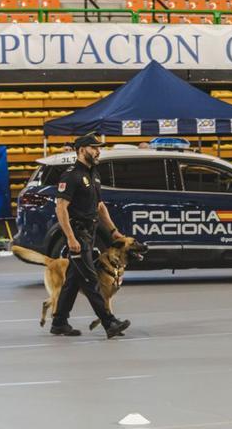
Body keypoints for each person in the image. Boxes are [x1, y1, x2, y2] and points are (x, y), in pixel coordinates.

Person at [50, 132, 131, 338]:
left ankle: (59, 322)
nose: (98, 151)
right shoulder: (71, 175)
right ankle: (109, 322)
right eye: (94, 147)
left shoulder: (94, 173)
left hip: (90, 232)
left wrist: (113, 231)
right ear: (82, 149)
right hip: (78, 234)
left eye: (98, 147)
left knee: (73, 280)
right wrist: (70, 237)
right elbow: (61, 208)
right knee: (90, 278)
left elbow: (100, 205)